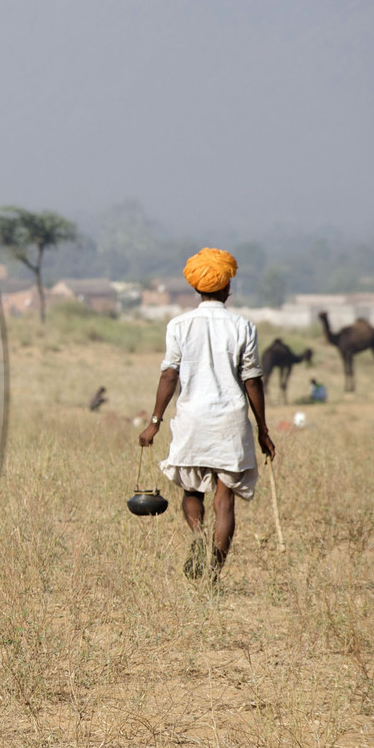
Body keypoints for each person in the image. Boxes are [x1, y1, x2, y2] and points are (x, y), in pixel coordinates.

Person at [138, 248, 275, 580]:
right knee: (224, 500)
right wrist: (263, 429)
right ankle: (213, 573)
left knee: (192, 490)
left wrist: (154, 423)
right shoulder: (243, 326)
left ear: (196, 288)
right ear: (227, 288)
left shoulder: (179, 325)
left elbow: (169, 375)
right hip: (230, 422)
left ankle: (198, 537)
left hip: (192, 420)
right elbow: (252, 380)